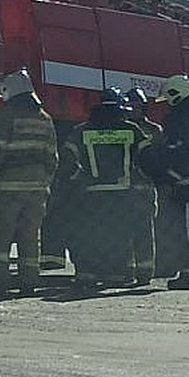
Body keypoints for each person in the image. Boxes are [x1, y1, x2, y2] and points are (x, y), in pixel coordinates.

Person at [0, 68, 59, 295]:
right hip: (38, 188)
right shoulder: (45, 119)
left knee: (1, 236)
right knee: (30, 236)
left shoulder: (7, 116)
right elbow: (52, 157)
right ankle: (29, 282)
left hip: (9, 187)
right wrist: (44, 183)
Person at [60, 88, 154, 289]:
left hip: (91, 194)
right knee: (120, 234)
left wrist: (78, 178)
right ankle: (120, 274)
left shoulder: (82, 131)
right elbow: (149, 158)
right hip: (123, 193)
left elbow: (66, 160)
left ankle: (89, 273)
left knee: (92, 233)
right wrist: (145, 178)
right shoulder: (132, 130)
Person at [139, 74, 189, 290]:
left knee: (186, 231)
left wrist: (156, 155)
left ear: (176, 95)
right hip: (183, 182)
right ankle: (186, 272)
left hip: (184, 183)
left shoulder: (187, 119)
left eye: (169, 99)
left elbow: (180, 152)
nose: (167, 104)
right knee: (181, 230)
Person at [124, 88, 160, 284]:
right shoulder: (122, 129)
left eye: (138, 106)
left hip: (145, 190)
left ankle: (145, 272)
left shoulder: (155, 130)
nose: (135, 110)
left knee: (145, 232)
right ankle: (127, 271)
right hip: (125, 189)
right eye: (132, 106)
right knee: (125, 232)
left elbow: (157, 160)